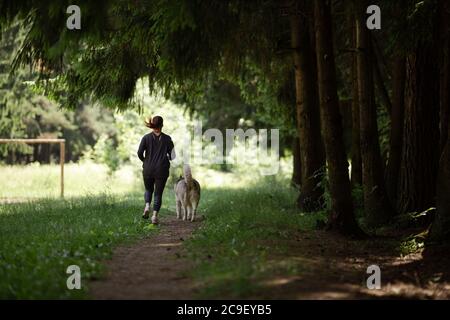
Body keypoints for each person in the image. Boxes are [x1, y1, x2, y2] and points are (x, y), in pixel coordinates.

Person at [137, 116, 175, 224]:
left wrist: (145, 161)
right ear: (162, 125)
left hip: (148, 169)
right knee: (158, 194)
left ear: (152, 126)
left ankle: (147, 206)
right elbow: (173, 156)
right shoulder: (167, 139)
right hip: (161, 170)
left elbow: (139, 153)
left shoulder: (145, 138)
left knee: (148, 190)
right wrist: (167, 158)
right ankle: (154, 216)